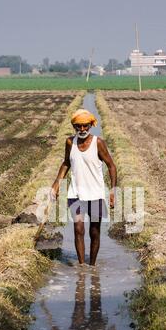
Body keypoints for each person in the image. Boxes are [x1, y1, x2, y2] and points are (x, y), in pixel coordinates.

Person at [50, 109, 117, 266]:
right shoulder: (69, 142)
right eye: (78, 126)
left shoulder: (98, 143)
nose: (82, 130)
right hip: (76, 194)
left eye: (85, 126)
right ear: (74, 126)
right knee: (78, 229)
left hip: (95, 194)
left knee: (94, 231)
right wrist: (57, 183)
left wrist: (113, 190)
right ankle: (81, 267)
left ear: (90, 125)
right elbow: (66, 163)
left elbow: (111, 166)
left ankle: (92, 266)